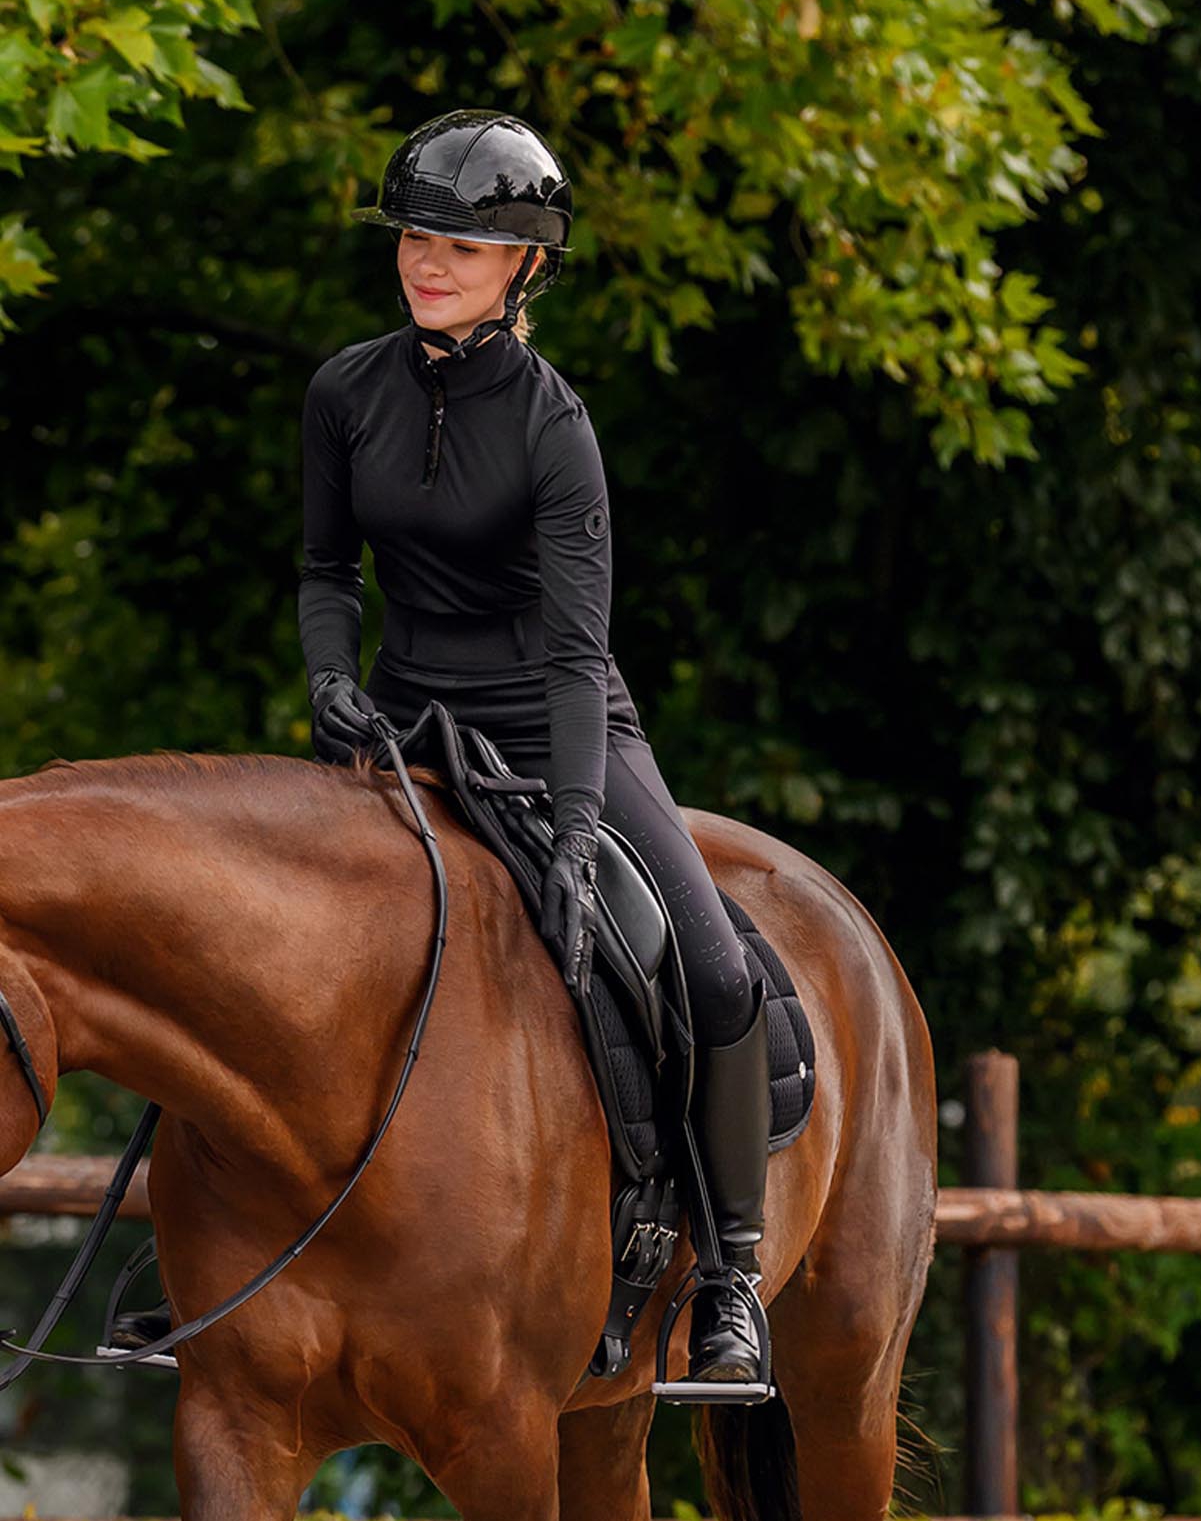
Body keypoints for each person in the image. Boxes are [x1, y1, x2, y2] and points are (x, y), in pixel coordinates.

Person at [117, 111, 770, 1388]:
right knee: (250, 940)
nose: (430, 259)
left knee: (710, 961)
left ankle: (732, 1269)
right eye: (419, 234)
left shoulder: (553, 428)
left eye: (465, 245)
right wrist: (328, 685)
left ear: (527, 265)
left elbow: (580, 654)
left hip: (554, 719)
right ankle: (202, 1246)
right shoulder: (342, 391)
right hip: (402, 719)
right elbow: (323, 569)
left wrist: (579, 828)